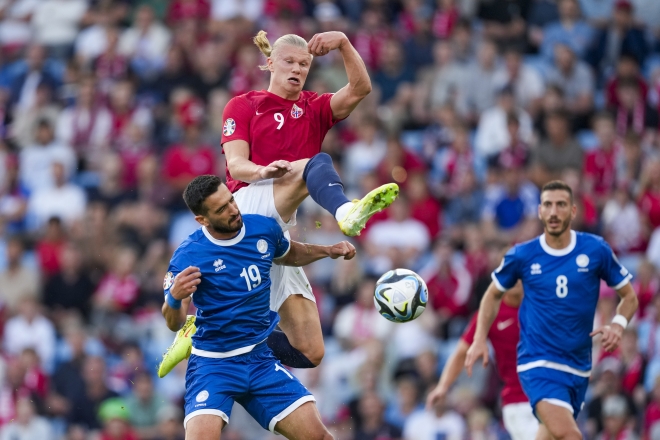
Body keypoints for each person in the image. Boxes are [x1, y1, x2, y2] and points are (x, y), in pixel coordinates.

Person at [158, 30, 398, 377]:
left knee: (310, 351)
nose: (297, 69)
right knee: (316, 163)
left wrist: (344, 43)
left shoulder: (314, 107)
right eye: (289, 61)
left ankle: (203, 331)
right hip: (245, 205)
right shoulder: (244, 104)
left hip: (274, 231)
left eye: (304, 64)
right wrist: (261, 171)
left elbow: (360, 89)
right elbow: (236, 164)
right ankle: (347, 210)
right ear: (270, 62)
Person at [162, 175, 355, 439]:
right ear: (202, 220)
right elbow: (173, 321)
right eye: (221, 209)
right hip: (213, 365)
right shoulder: (189, 256)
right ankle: (191, 335)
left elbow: (289, 253)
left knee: (320, 436)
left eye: (230, 201)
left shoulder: (262, 229)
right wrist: (174, 298)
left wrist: (327, 250)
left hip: (258, 359)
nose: (233, 210)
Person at [465, 180, 639, 440]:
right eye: (548, 205)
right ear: (539, 211)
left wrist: (618, 324)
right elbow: (492, 295)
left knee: (547, 436)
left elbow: (629, 298)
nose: (554, 212)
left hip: (578, 367)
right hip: (538, 363)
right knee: (570, 435)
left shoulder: (595, 250)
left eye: (561, 205)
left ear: (573, 211)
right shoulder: (522, 255)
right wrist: (479, 339)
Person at [426, 283, 539, 440]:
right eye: (512, 273)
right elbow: (461, 352)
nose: (516, 280)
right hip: (517, 400)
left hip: (550, 393)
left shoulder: (542, 307)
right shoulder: (489, 313)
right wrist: (442, 386)